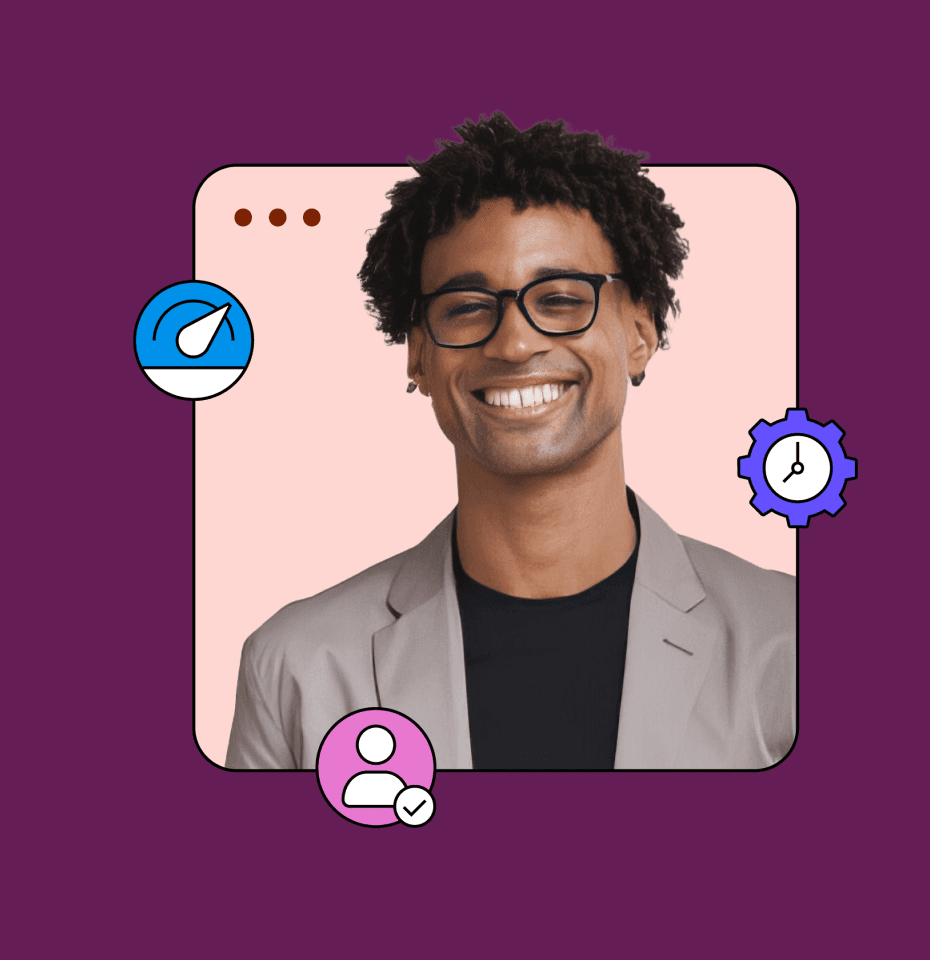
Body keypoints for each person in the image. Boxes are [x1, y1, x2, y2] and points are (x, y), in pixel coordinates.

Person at [226, 113, 796, 771]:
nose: (515, 342)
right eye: (466, 306)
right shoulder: (295, 666)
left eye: (559, 298)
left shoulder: (790, 645)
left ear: (639, 332)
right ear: (418, 357)